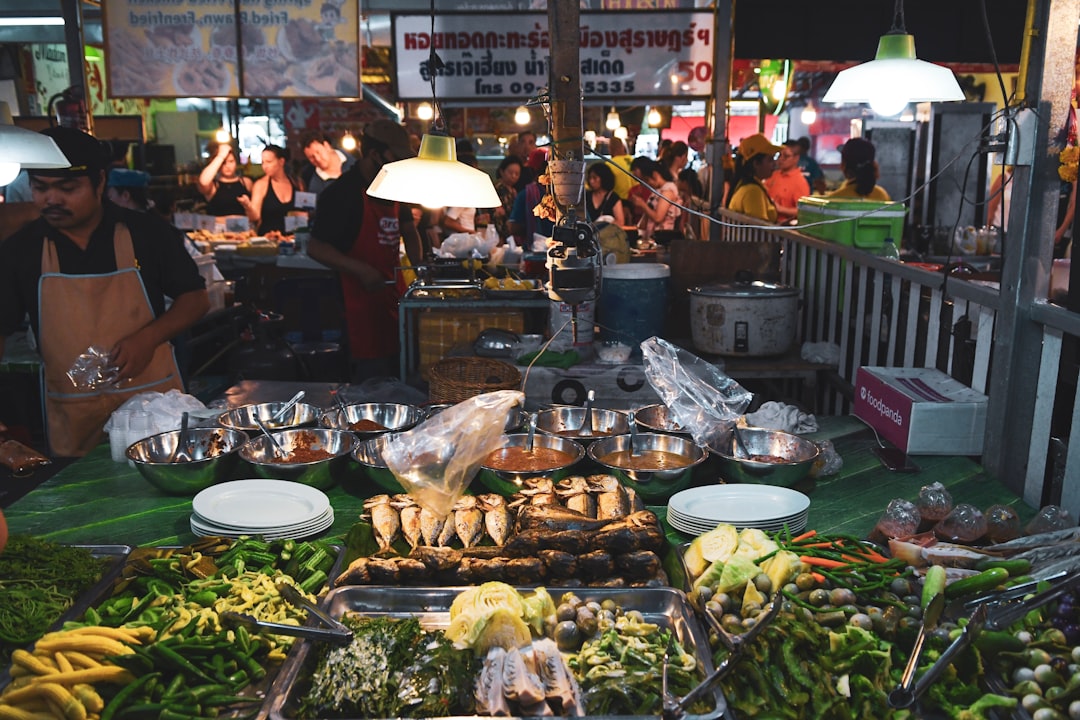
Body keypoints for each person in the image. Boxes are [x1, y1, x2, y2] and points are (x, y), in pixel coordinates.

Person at [0, 127, 209, 457]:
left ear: (100, 183)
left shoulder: (146, 233)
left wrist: (147, 338)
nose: (51, 199)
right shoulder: (21, 250)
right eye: (40, 188)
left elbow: (196, 299)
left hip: (151, 412)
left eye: (67, 188)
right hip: (72, 412)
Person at [306, 119, 423, 382]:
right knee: (373, 381)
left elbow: (409, 228)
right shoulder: (342, 194)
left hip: (393, 295)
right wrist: (361, 270)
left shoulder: (394, 186)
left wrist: (420, 266)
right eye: (395, 160)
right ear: (374, 155)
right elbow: (315, 247)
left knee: (402, 371)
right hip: (359, 304)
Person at [241, 145, 297, 235]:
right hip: (268, 239)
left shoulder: (296, 183)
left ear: (281, 162)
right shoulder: (261, 185)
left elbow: (304, 212)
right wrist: (247, 206)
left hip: (293, 239)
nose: (265, 166)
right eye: (263, 162)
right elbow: (255, 217)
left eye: (269, 162)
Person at [727, 133, 781, 223]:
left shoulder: (746, 184)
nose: (774, 164)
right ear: (756, 163)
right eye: (770, 159)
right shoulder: (752, 191)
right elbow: (759, 231)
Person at [631, 158, 680, 244]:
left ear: (655, 175)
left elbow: (658, 217)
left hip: (663, 240)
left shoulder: (668, 191)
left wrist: (642, 204)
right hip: (652, 238)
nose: (646, 184)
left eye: (646, 180)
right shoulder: (657, 191)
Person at [196, 141, 252, 216]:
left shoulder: (246, 182)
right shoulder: (213, 185)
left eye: (231, 161)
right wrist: (221, 155)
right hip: (218, 226)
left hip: (243, 226)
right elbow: (203, 182)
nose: (227, 166)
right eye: (223, 163)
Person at [764, 140, 811, 224]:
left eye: (786, 156)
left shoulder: (800, 182)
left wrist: (780, 209)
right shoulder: (773, 175)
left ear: (796, 158)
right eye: (779, 155)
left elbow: (803, 211)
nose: (781, 159)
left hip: (783, 227)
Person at [298, 130, 354, 196]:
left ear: (326, 146)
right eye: (311, 157)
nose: (317, 159)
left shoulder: (354, 159)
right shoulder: (308, 178)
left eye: (318, 152)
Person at [492, 155, 522, 240]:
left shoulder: (513, 190)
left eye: (517, 174)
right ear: (502, 171)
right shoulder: (498, 188)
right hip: (499, 232)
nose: (513, 176)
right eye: (510, 173)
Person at [676, 168, 709, 242]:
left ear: (684, 182)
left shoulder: (691, 202)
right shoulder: (693, 200)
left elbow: (682, 224)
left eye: (679, 180)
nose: (677, 183)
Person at [604, 136, 635, 202]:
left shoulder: (609, 164)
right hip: (637, 200)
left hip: (620, 201)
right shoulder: (633, 160)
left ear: (610, 149)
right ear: (623, 147)